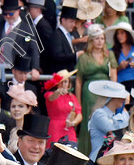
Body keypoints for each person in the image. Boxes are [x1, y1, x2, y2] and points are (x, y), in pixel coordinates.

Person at [76, 26, 118, 156]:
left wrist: (115, 96)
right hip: (89, 94)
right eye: (97, 39)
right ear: (91, 41)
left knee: (106, 125)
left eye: (102, 38)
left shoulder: (109, 55)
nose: (100, 41)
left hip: (106, 92)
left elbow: (114, 76)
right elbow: (78, 81)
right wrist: (78, 104)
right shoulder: (84, 57)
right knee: (89, 126)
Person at [85, 80, 130, 165]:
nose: (123, 100)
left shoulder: (114, 116)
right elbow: (114, 129)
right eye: (121, 97)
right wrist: (126, 113)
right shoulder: (99, 113)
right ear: (112, 98)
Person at [44, 69, 81, 145]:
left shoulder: (72, 97)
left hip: (69, 129)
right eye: (61, 82)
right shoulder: (50, 94)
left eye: (65, 81)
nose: (63, 84)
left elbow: (79, 114)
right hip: (55, 129)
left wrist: (73, 123)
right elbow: (51, 98)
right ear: (57, 83)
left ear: (69, 83)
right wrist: (57, 92)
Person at [108, 23, 134, 92]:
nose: (119, 36)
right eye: (117, 34)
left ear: (127, 34)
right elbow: (108, 71)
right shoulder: (112, 51)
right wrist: (119, 67)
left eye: (122, 33)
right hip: (120, 84)